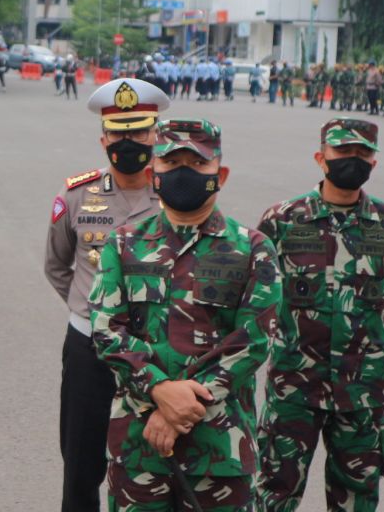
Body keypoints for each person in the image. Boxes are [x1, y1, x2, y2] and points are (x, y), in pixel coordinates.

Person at [89, 118, 279, 512]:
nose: (183, 173)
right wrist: (158, 391)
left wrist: (180, 411)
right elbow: (107, 330)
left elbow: (253, 342)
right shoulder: (123, 244)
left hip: (220, 448)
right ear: (151, 173)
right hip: (138, 446)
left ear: (220, 174)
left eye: (197, 164)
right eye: (171, 163)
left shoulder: (254, 248)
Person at [255, 119, 384, 512]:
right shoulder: (282, 219)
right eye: (343, 152)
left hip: (362, 392)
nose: (352, 161)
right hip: (294, 387)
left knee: (357, 500)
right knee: (274, 494)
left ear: (373, 162)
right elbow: (259, 295)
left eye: (362, 154)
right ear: (321, 157)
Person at [44, 78, 169, 512]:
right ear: (104, 139)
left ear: (156, 134)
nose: (129, 141)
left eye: (139, 130)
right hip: (88, 349)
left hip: (156, 350)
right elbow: (57, 265)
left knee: (153, 462)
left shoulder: (176, 195)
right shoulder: (77, 194)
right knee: (80, 464)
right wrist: (92, 311)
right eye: (119, 132)